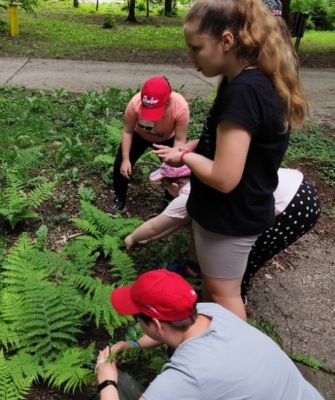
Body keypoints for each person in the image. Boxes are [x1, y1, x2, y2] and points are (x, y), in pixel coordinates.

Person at [152, 0, 309, 320]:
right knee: (215, 291)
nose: (190, 58)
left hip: (231, 216)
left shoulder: (245, 92)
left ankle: (234, 361)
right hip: (230, 212)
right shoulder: (247, 80)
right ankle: (218, 349)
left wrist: (185, 156)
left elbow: (224, 176)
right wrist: (194, 149)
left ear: (227, 40)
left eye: (196, 48)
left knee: (225, 297)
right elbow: (223, 144)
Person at [95, 270, 324, 400]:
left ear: (155, 323)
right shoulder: (209, 312)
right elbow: (168, 333)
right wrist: (133, 344)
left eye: (138, 317)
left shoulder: (188, 375)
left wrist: (106, 380)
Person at [124, 164, 320, 300]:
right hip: (298, 185)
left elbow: (154, 225)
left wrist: (132, 237)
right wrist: (150, 239)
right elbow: (179, 221)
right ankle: (197, 271)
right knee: (207, 226)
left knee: (243, 259)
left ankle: (229, 306)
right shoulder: (205, 174)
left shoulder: (190, 194)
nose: (165, 190)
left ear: (176, 185)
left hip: (293, 207)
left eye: (164, 186)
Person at [106, 76, 189, 216]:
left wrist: (173, 159)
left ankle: (169, 201)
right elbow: (127, 131)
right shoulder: (135, 103)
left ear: (168, 100)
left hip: (167, 140)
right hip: (139, 136)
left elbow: (180, 141)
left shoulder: (180, 107)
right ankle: (120, 201)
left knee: (174, 170)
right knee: (120, 165)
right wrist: (126, 159)